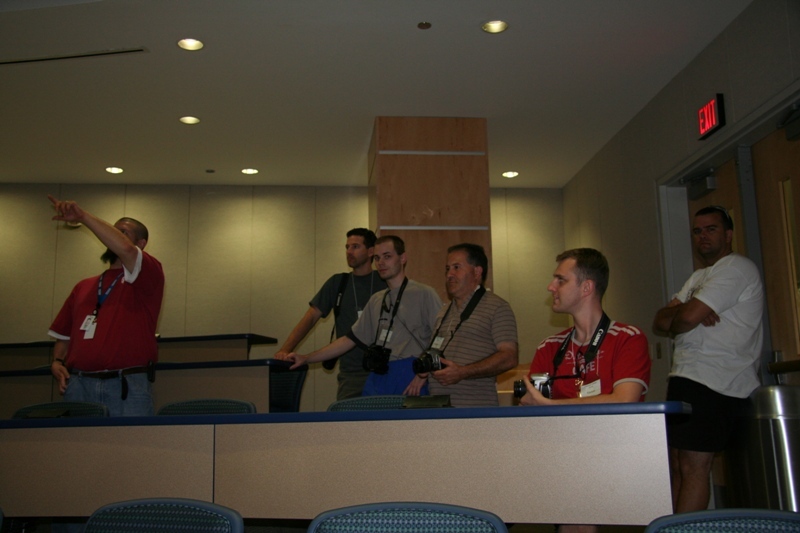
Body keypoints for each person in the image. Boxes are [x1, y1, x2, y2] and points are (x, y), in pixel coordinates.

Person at [520, 248, 651, 533]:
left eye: (560, 280)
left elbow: (625, 400)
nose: (550, 287)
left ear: (587, 287)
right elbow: (531, 407)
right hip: (561, 458)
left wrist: (551, 406)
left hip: (615, 458)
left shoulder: (628, 339)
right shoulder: (549, 347)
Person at [653, 205, 764, 513]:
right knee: (676, 466)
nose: (703, 236)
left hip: (716, 383)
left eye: (711, 229)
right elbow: (660, 322)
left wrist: (687, 311)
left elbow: (684, 318)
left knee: (693, 468)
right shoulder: (700, 276)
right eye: (698, 231)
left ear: (728, 234)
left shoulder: (737, 268)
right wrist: (690, 311)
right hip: (686, 378)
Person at [47, 194, 165, 417]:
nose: (111, 235)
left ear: (141, 244)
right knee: (79, 450)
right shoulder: (84, 286)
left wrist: (83, 216)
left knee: (129, 450)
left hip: (127, 385)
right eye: (112, 230)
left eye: (123, 233)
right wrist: (57, 361)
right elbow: (64, 334)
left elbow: (127, 251)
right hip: (80, 385)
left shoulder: (149, 274)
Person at [287, 235, 442, 396]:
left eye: (387, 256)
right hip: (381, 374)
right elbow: (348, 340)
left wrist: (424, 374)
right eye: (377, 258)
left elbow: (441, 339)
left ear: (402, 258)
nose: (381, 262)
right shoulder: (376, 300)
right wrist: (306, 358)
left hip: (412, 375)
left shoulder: (424, 294)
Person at [275, 228, 387, 399]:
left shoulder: (385, 282)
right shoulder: (338, 283)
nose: (349, 251)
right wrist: (284, 351)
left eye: (355, 246)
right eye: (347, 247)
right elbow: (310, 317)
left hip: (385, 371)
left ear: (371, 251)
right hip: (350, 375)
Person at [421, 243, 518, 407]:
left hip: (474, 410)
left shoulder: (497, 307)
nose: (449, 274)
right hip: (439, 408)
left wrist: (462, 372)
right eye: (447, 269)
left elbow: (510, 357)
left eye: (456, 267)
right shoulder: (444, 312)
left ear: (477, 271)